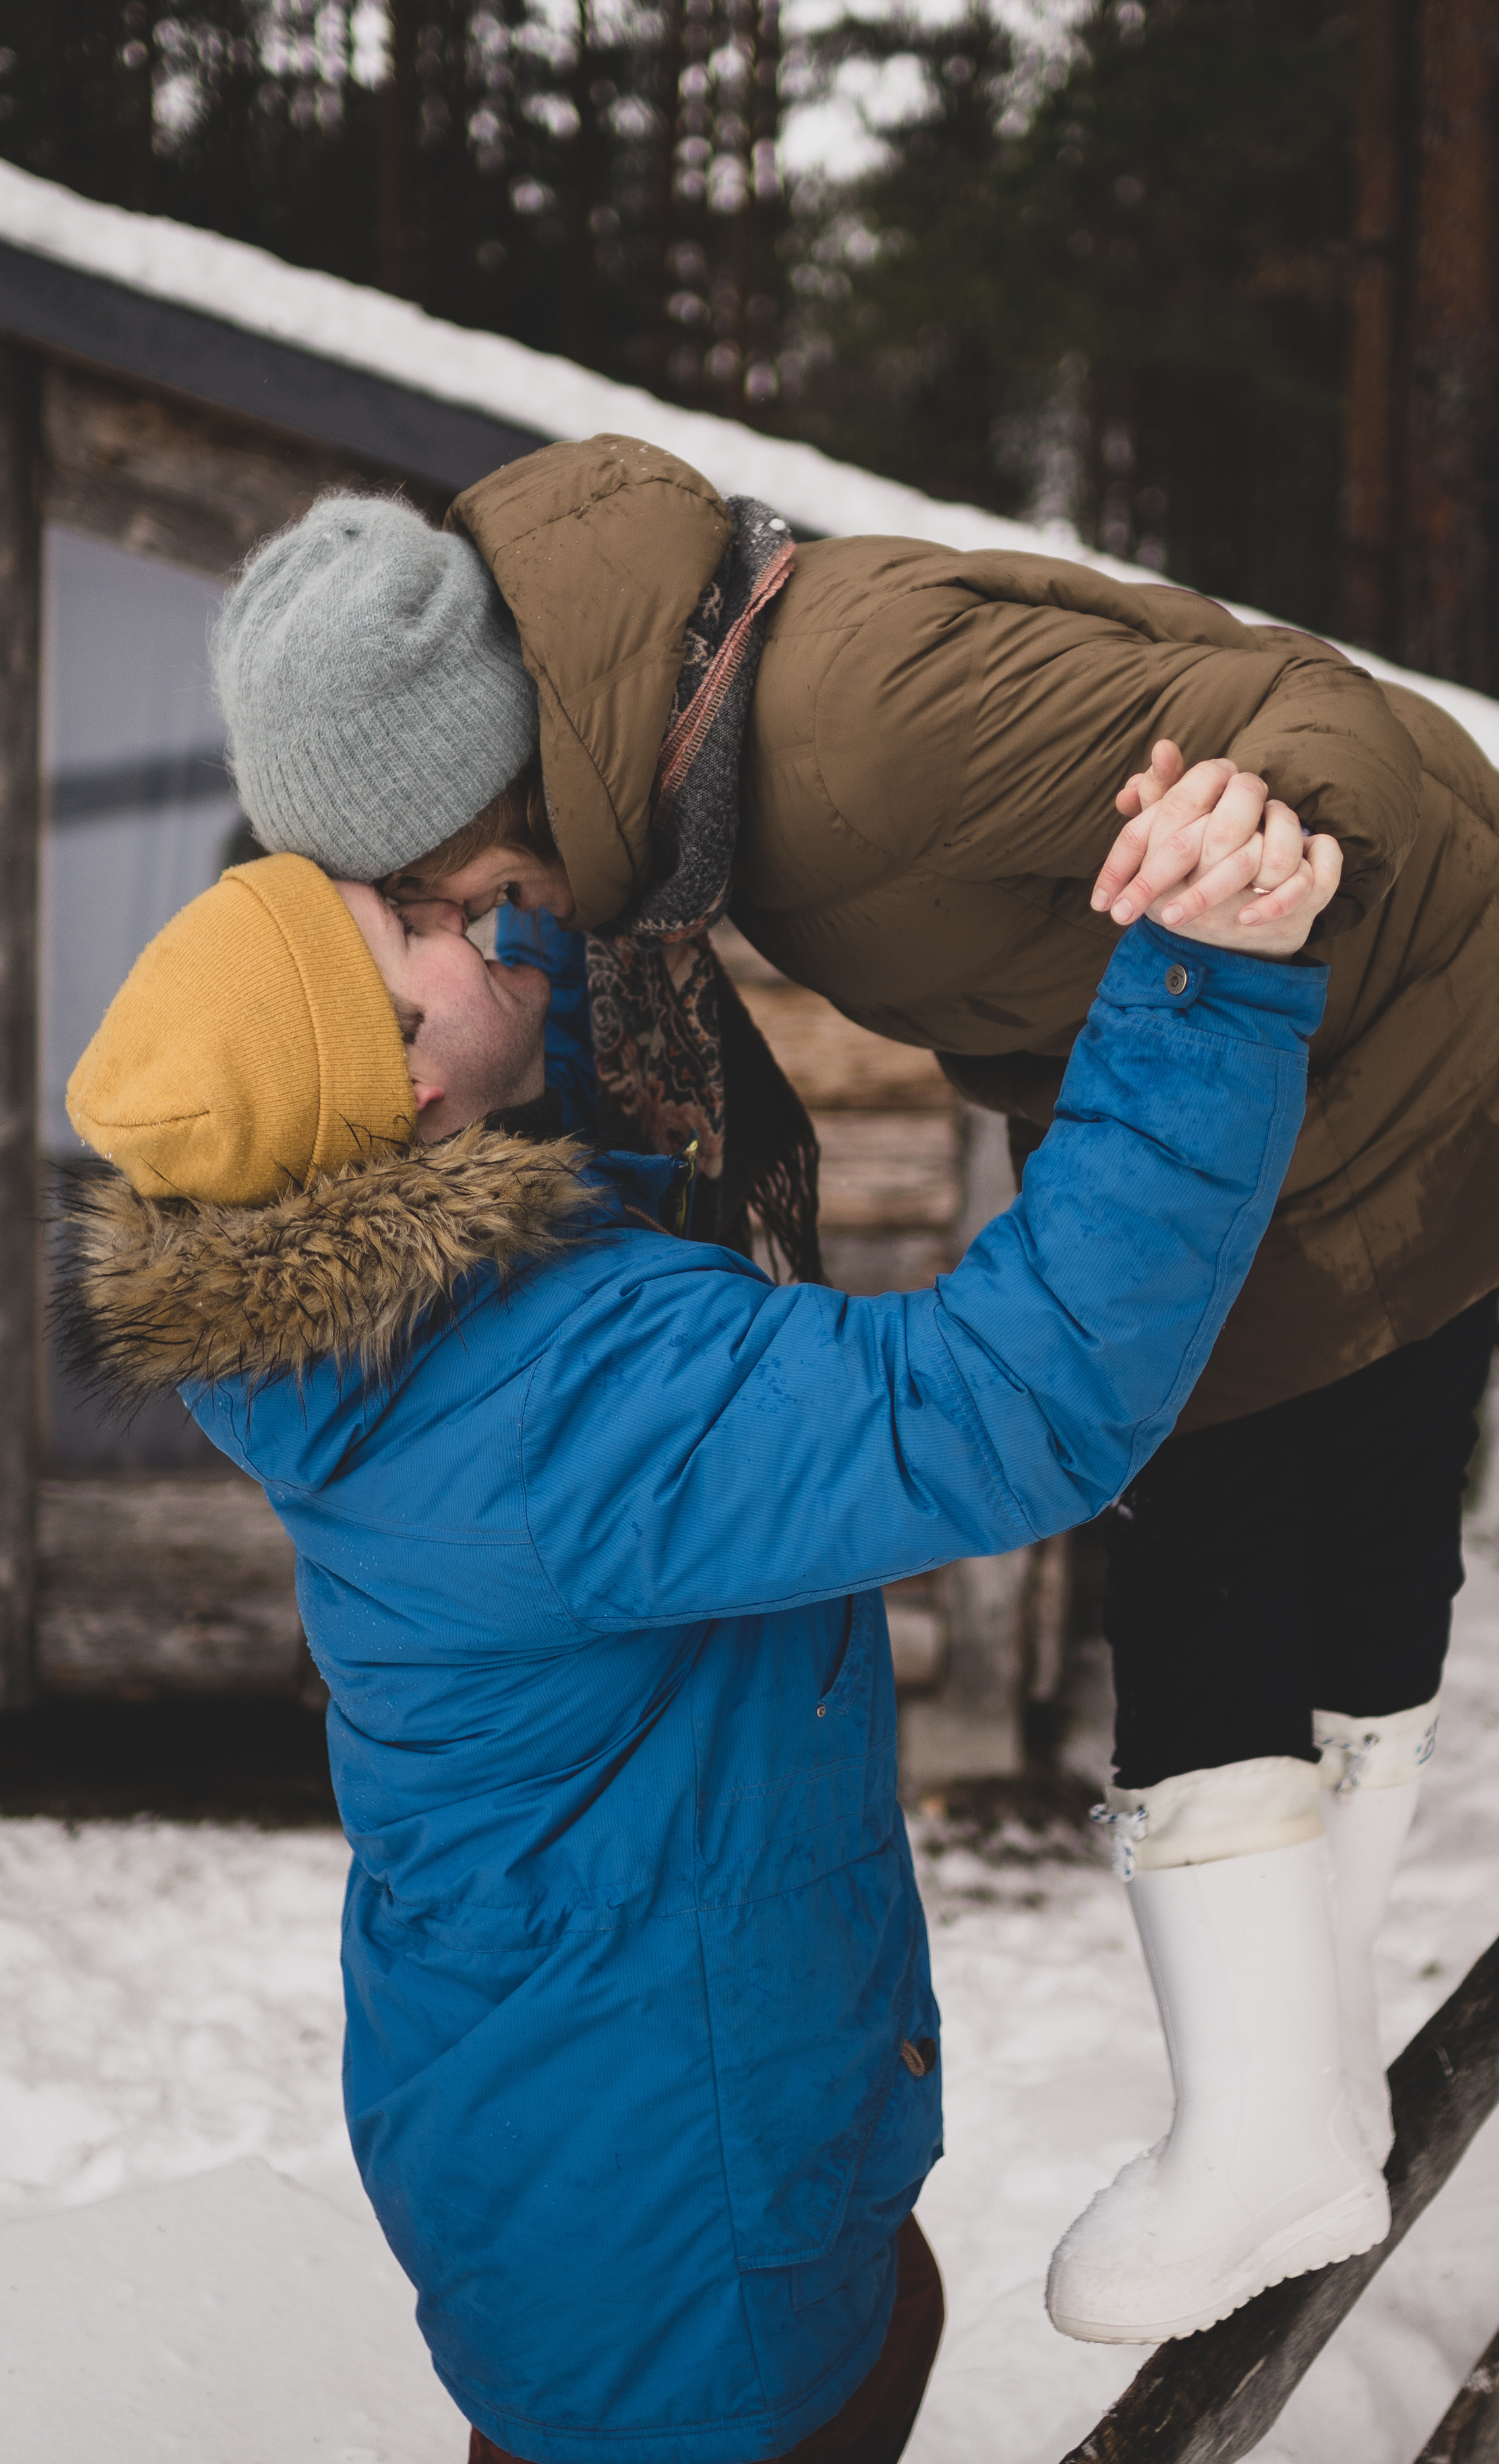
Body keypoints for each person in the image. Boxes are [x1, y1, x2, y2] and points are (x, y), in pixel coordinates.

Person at [204, 440, 1499, 2343]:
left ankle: (1267, 2128)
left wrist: (1254, 820)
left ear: (479, 790)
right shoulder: (666, 740)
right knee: (1350, 1528)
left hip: (1367, 1043)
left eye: (427, 895)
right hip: (1410, 1025)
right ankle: (1306, 2069)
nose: (465, 932)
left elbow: (1314, 715)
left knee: (1209, 1535)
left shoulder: (846, 727)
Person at [61, 792, 1337, 2457]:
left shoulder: (361, 1330)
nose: (473, 924)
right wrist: (1203, 984)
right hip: (674, 2236)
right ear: (413, 1099)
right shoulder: (561, 1400)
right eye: (423, 929)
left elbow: (538, 1062)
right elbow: (1009, 1400)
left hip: (571, 2145)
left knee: (859, 2327)